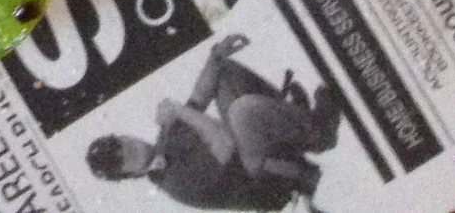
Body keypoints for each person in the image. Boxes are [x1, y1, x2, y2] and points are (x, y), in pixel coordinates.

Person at [85, 33, 342, 209]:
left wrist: (216, 56)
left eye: (119, 144)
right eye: (121, 159)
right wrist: (178, 110)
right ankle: (321, 133)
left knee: (223, 71)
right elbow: (225, 142)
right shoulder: (174, 184)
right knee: (241, 113)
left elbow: (199, 96)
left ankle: (300, 125)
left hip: (257, 154)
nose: (127, 149)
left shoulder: (165, 139)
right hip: (273, 181)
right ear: (128, 174)